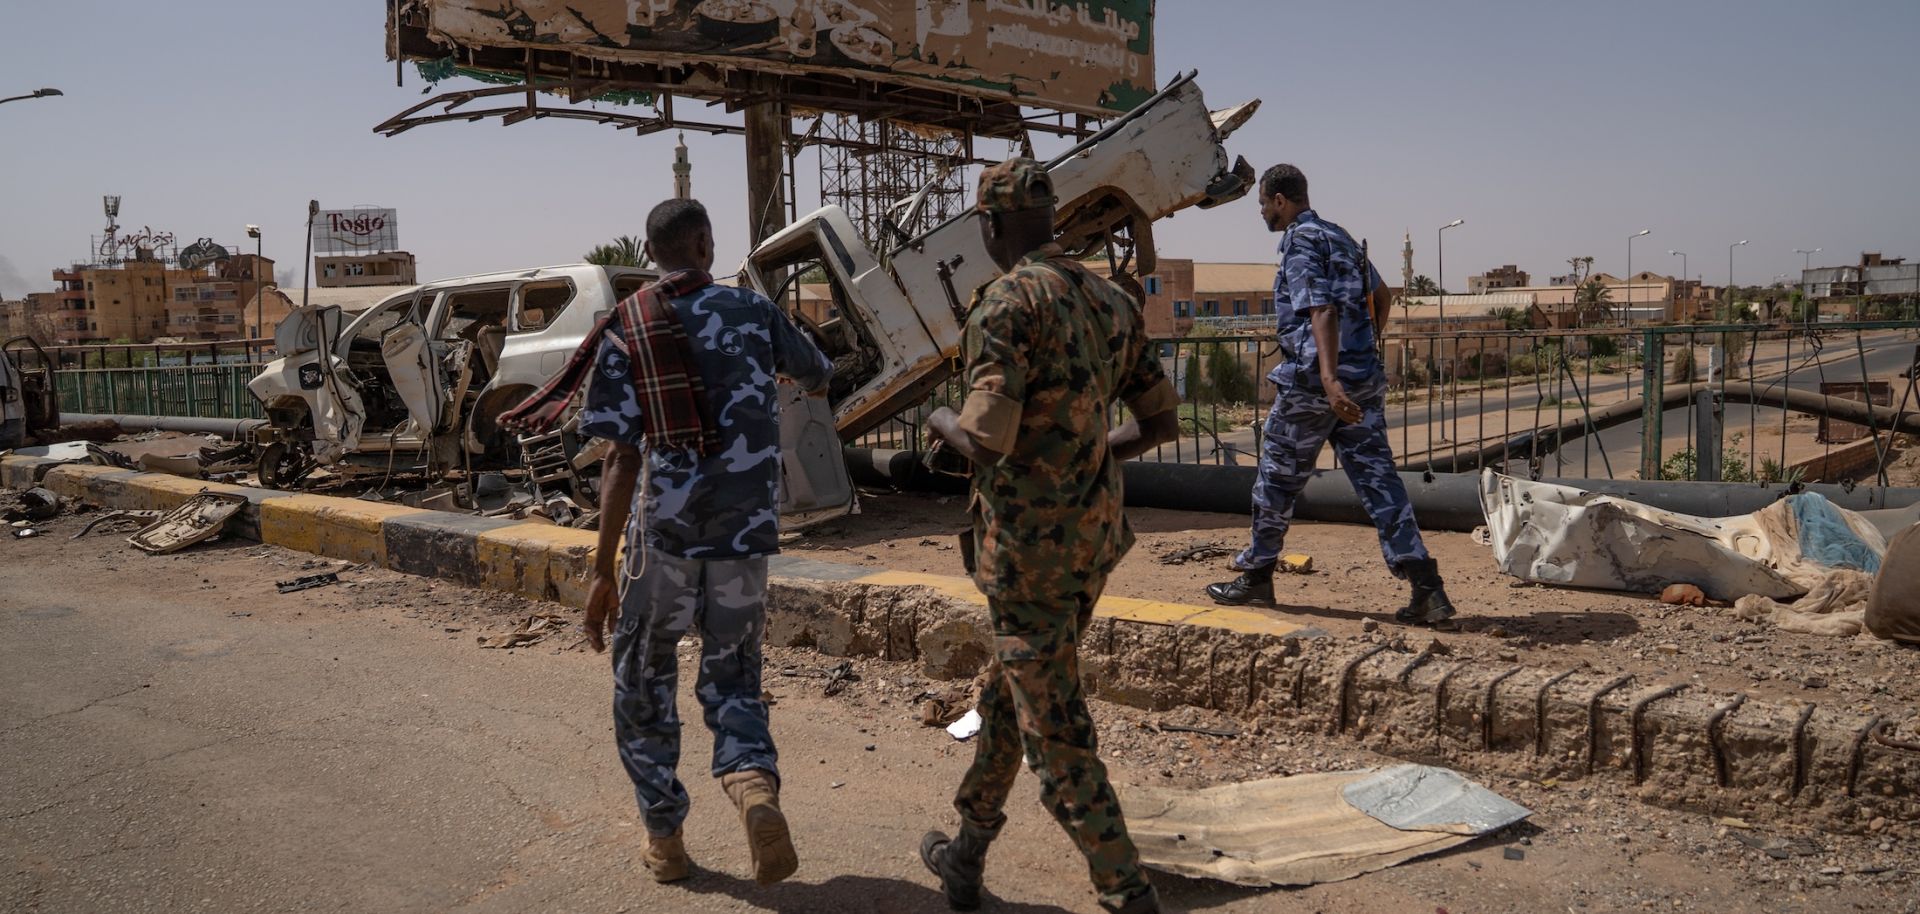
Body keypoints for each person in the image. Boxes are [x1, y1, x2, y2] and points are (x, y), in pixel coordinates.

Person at [501, 198, 833, 887]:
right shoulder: (754, 311)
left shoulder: (629, 326)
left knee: (644, 682)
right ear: (707, 245)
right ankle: (753, 789)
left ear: (653, 255)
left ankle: (666, 839)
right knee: (735, 675)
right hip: (745, 536)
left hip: (666, 541)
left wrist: (601, 570)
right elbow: (817, 370)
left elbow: (621, 459)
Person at [921, 159, 1182, 914]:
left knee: (1055, 730)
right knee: (1016, 692)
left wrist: (941, 422)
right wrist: (1090, 453)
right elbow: (1160, 421)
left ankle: (1127, 892)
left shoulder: (1005, 305)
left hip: (1029, 554)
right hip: (1091, 541)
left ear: (993, 226)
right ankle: (966, 855)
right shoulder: (1111, 299)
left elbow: (986, 442)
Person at [1205, 164, 1458, 626]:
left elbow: (1319, 309)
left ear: (1281, 200)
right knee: (1379, 481)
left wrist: (1329, 378)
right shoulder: (1340, 236)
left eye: (1263, 203)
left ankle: (1257, 576)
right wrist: (1360, 354)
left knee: (1276, 479)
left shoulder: (1301, 242)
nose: (1262, 212)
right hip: (1361, 381)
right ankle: (1427, 589)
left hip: (1313, 386)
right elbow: (1382, 297)